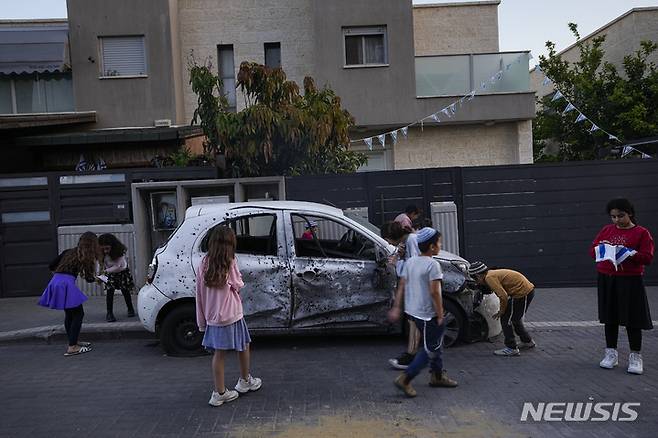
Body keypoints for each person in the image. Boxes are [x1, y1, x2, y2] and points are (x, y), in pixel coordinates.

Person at [196, 225, 262, 407]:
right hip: (232, 313)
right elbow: (238, 283)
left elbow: (199, 293)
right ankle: (244, 380)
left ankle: (220, 391)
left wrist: (202, 320)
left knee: (219, 354)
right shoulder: (230, 261)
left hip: (214, 316)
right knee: (244, 345)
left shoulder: (203, 262)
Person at [388, 227, 458, 397]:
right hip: (430, 314)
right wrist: (441, 314)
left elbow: (402, 285)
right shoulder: (433, 265)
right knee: (430, 350)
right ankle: (405, 378)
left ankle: (437, 375)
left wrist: (397, 307)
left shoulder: (411, 262)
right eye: (439, 242)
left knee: (434, 343)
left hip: (415, 313)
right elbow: (435, 292)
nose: (440, 245)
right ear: (433, 247)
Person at [590, 198, 654, 375]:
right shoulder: (606, 230)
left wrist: (630, 253)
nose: (617, 220)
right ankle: (611, 353)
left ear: (630, 213)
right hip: (607, 277)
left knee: (633, 319)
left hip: (630, 280)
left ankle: (635, 356)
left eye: (621, 216)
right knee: (610, 317)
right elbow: (592, 250)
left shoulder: (642, 233)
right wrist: (602, 248)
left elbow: (647, 258)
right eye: (613, 217)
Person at [38, 232, 100, 356]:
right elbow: (89, 278)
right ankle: (72, 347)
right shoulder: (86, 256)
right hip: (66, 284)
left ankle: (73, 340)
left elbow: (51, 265)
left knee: (70, 314)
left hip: (55, 281)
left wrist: (60, 275)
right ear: (93, 245)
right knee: (78, 314)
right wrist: (99, 278)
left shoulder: (68, 252)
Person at [468, 262, 535, 356]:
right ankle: (527, 341)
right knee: (515, 320)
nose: (476, 282)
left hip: (522, 293)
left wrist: (501, 311)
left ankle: (511, 348)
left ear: (478, 276)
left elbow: (503, 296)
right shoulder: (490, 274)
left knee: (506, 320)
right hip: (522, 292)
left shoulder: (489, 278)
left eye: (474, 279)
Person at [381, 221, 421, 370]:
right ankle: (411, 354)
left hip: (418, 288)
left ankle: (412, 356)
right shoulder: (408, 241)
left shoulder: (411, 241)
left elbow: (414, 266)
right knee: (413, 321)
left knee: (415, 322)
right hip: (416, 288)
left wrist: (397, 263)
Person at [98, 234, 136, 322]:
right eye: (103, 249)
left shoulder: (119, 252)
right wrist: (100, 276)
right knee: (109, 291)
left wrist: (105, 272)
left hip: (122, 272)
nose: (105, 251)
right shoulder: (102, 254)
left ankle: (130, 308)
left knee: (125, 290)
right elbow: (100, 265)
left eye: (107, 248)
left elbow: (118, 266)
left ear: (113, 246)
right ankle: (109, 313)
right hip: (110, 273)